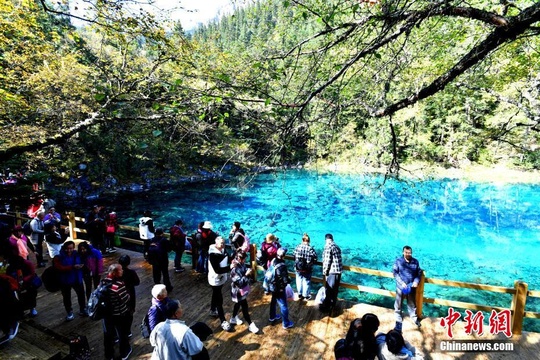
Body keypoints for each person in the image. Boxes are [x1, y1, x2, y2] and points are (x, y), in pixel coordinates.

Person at [101, 263, 132, 360]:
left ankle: (109, 355)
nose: (122, 271)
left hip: (106, 314)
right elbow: (126, 298)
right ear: (115, 272)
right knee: (122, 333)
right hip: (118, 313)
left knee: (107, 335)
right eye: (120, 270)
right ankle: (124, 352)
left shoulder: (103, 282)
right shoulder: (118, 285)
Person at [53, 240, 87, 321]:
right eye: (67, 249)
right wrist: (72, 267)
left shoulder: (78, 254)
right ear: (64, 248)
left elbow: (88, 253)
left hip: (77, 279)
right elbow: (59, 267)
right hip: (65, 281)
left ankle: (83, 309)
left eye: (71, 248)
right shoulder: (58, 257)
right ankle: (69, 312)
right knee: (66, 297)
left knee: (81, 295)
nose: (69, 250)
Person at [229, 249, 259, 333]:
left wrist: (248, 273)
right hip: (238, 291)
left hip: (242, 290)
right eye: (242, 258)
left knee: (238, 304)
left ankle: (233, 318)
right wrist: (246, 275)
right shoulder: (234, 270)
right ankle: (250, 324)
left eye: (244, 258)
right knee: (245, 307)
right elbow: (239, 283)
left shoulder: (242, 264)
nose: (244, 260)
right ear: (238, 258)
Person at [393, 246, 422, 329]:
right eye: (406, 252)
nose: (408, 254)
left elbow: (419, 273)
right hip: (401, 286)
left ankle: (414, 318)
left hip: (411, 286)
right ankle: (398, 316)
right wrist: (401, 283)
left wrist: (416, 281)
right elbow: (395, 273)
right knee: (399, 302)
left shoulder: (415, 262)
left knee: (412, 303)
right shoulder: (398, 261)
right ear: (403, 252)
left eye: (409, 253)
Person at [208, 236, 231, 331]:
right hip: (215, 280)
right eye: (221, 243)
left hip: (222, 278)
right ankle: (223, 321)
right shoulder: (213, 255)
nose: (223, 245)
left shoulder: (223, 249)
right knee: (219, 299)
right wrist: (230, 268)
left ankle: (212, 310)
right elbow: (217, 270)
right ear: (216, 244)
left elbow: (227, 258)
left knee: (216, 293)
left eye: (223, 243)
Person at [268, 247, 294, 329]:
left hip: (272, 286)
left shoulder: (273, 261)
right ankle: (285, 323)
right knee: (283, 305)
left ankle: (272, 316)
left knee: (273, 301)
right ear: (283, 256)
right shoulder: (282, 266)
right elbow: (285, 280)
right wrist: (288, 281)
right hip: (279, 288)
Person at [320, 233, 342, 313]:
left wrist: (325, 272)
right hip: (338, 271)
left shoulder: (328, 247)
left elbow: (327, 261)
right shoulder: (336, 246)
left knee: (329, 290)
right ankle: (333, 305)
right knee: (335, 290)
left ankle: (327, 307)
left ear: (326, 240)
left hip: (332, 272)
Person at [119, 254, 140, 335]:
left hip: (120, 294)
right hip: (130, 293)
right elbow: (137, 282)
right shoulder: (131, 272)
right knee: (130, 312)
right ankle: (127, 330)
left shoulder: (117, 272)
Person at [293, 233, 318, 300]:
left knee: (298, 280)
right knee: (306, 281)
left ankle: (299, 294)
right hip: (307, 269)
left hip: (298, 268)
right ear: (309, 241)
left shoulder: (298, 247)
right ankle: (306, 295)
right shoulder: (310, 249)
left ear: (302, 240)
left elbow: (294, 255)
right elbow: (315, 258)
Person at [148, 227, 173, 293]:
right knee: (165, 273)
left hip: (154, 260)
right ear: (162, 233)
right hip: (163, 259)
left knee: (156, 273)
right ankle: (168, 287)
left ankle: (157, 285)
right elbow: (169, 249)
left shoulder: (152, 240)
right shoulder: (164, 240)